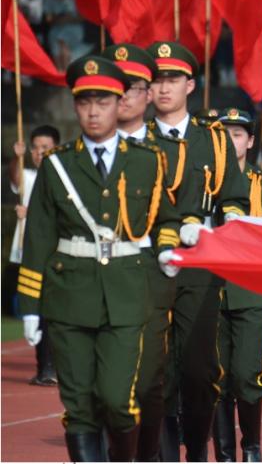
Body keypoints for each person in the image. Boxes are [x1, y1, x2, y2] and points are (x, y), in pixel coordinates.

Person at [16, 55, 182, 461]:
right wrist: (31, 306)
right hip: (69, 296)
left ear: (118, 103)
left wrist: (167, 248)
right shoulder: (57, 165)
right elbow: (38, 238)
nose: (93, 111)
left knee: (118, 401)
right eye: (85, 102)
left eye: (103, 102)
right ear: (75, 106)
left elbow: (166, 217)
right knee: (79, 407)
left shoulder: (147, 160)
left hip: (126, 295)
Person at [146, 41, 249, 461]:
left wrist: (224, 231)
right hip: (148, 260)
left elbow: (233, 198)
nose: (163, 88)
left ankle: (197, 450)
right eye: (156, 80)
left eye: (172, 79)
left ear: (190, 85)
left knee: (198, 368)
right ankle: (163, 453)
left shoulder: (214, 139)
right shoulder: (138, 138)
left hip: (200, 261)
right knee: (154, 368)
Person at [101, 42, 178, 460]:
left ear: (147, 95)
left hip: (146, 277)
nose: (124, 96)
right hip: (92, 279)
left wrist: (167, 249)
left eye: (132, 87)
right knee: (96, 383)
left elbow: (174, 214)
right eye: (116, 88)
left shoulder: (166, 151)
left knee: (147, 381)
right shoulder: (74, 157)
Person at [211, 108, 262, 462]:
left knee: (247, 375)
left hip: (252, 293)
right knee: (216, 379)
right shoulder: (203, 180)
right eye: (224, 135)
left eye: (238, 135)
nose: (231, 141)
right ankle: (224, 453)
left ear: (251, 141)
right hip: (210, 293)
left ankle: (251, 447)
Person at [8, 124, 60, 386]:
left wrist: (32, 213)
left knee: (53, 311)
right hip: (28, 254)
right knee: (34, 311)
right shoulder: (30, 176)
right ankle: (44, 368)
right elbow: (16, 179)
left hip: (53, 255)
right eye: (36, 148)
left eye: (45, 148)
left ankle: (54, 365)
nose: (40, 153)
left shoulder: (63, 178)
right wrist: (15, 158)